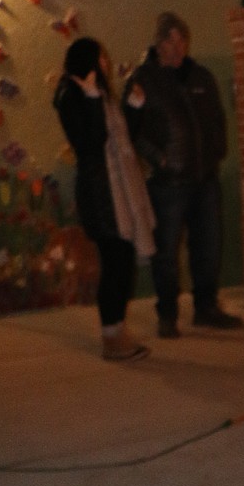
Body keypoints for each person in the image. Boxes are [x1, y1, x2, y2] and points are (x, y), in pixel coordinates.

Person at [127, 13, 242, 338]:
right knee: (166, 252)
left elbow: (218, 120)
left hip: (205, 179)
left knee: (208, 246)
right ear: (159, 44)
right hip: (168, 184)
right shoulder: (144, 80)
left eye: (182, 40)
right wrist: (157, 159)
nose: (177, 47)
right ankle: (167, 315)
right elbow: (130, 129)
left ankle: (206, 308)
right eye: (170, 41)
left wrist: (216, 152)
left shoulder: (201, 77)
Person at [53, 37, 156, 361]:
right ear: (89, 61)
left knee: (122, 263)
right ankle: (111, 336)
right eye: (102, 58)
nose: (107, 64)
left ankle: (117, 329)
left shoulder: (98, 95)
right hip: (102, 195)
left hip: (118, 193)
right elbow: (91, 143)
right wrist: (92, 97)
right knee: (115, 264)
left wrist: (134, 109)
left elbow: (121, 138)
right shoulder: (71, 96)